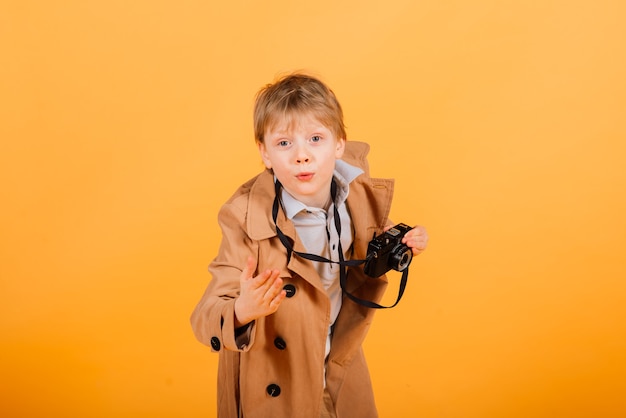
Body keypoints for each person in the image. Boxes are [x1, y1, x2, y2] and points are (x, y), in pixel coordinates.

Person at [190, 73, 429, 418]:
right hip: (273, 383)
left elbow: (359, 264)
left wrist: (399, 247)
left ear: (338, 145)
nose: (301, 155)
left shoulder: (357, 195)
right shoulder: (243, 218)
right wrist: (243, 309)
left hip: (337, 369)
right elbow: (204, 317)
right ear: (265, 153)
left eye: (315, 138)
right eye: (284, 143)